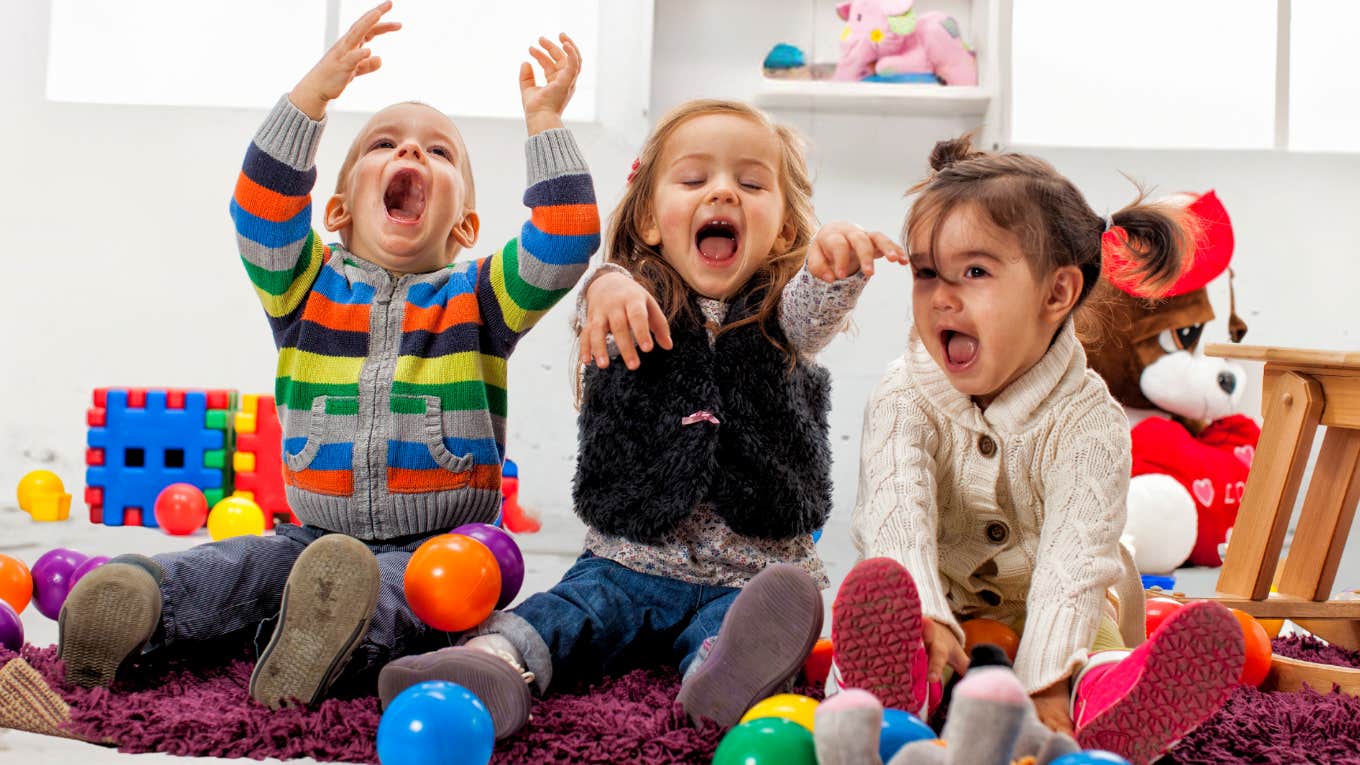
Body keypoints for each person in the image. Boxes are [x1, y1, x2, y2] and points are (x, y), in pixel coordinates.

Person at [57, 1, 599, 709]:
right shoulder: (302, 285)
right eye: (384, 144)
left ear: (466, 224)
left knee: (416, 597)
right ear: (338, 209)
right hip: (311, 533)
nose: (410, 154)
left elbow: (566, 239)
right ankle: (145, 602)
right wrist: (313, 97)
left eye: (439, 152)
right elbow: (260, 206)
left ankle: (325, 641)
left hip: (441, 543)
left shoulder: (481, 297)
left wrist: (546, 124)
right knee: (240, 565)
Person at [379, 98, 904, 739]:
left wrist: (832, 268)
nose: (723, 193)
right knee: (566, 613)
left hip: (748, 575)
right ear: (653, 220)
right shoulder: (630, 299)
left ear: (787, 231)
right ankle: (488, 663)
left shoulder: (780, 317)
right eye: (694, 179)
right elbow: (596, 308)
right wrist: (606, 284)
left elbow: (810, 311)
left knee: (736, 633)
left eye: (750, 182)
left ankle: (722, 677)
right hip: (626, 562)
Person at [822, 136, 1244, 765]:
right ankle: (896, 686)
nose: (940, 296)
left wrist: (1046, 680)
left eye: (975, 272)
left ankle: (1105, 697)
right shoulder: (903, 395)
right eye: (926, 272)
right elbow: (894, 511)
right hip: (946, 592)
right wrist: (925, 612)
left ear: (1056, 294)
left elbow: (1074, 560)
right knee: (894, 593)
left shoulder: (1089, 420)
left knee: (1092, 636)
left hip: (1065, 602)